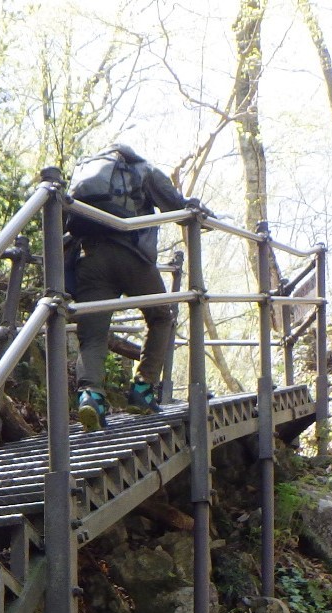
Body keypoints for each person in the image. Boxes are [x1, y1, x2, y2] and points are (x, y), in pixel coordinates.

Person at [68, 143, 209, 428]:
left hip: (91, 258)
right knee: (160, 317)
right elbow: (177, 206)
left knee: (93, 336)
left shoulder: (82, 175)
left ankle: (91, 397)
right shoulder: (143, 170)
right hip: (132, 256)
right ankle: (143, 388)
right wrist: (202, 217)